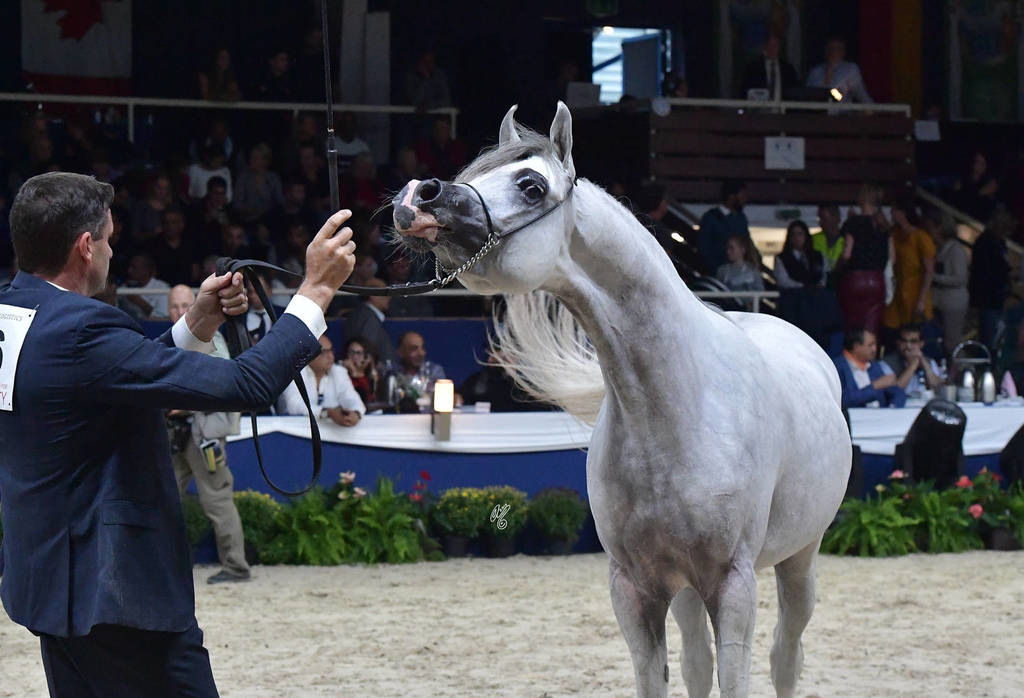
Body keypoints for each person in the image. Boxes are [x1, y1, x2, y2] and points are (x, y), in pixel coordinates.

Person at [0, 171, 356, 695]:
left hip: (51, 583)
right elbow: (248, 382)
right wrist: (316, 290)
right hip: (116, 594)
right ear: (84, 246)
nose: (110, 254)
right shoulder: (82, 328)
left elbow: (110, 379)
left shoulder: (18, 315)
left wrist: (198, 322)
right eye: (108, 240)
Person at [165, 285, 250, 584]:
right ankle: (167, 563)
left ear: (195, 304)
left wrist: (180, 402)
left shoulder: (213, 338)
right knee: (164, 498)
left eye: (184, 305)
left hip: (205, 432)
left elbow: (222, 384)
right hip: (179, 433)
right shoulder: (176, 339)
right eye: (174, 306)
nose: (179, 311)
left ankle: (236, 566)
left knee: (216, 498)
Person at [838, 183, 893, 334]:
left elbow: (847, 254)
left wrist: (839, 266)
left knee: (853, 325)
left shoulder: (853, 223)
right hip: (877, 279)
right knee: (872, 326)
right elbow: (891, 257)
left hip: (855, 278)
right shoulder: (884, 225)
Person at [278, 335, 365, 426]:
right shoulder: (295, 373)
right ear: (309, 355)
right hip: (293, 431)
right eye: (324, 352)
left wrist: (356, 413)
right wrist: (327, 413)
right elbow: (294, 406)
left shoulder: (338, 372)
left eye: (331, 351)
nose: (330, 356)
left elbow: (352, 399)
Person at [882, 201, 935, 333]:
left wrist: (922, 299)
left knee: (916, 331)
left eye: (893, 210)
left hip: (915, 293)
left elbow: (929, 271)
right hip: (897, 292)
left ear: (902, 213)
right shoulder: (894, 234)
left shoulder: (921, 237)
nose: (891, 213)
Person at [969, 206, 1015, 351]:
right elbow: (986, 272)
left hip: (998, 298)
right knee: (988, 340)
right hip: (987, 299)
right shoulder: (984, 243)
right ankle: (986, 369)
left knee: (998, 337)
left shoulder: (1000, 243)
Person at [924, 207, 969, 355]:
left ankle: (964, 372)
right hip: (940, 302)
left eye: (931, 227)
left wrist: (933, 276)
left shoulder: (956, 249)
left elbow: (961, 278)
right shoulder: (939, 248)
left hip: (953, 303)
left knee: (953, 342)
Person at [833, 328, 906, 408]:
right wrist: (874, 386)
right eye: (870, 345)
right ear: (856, 347)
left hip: (881, 417)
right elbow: (843, 400)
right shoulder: (837, 366)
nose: (875, 349)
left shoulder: (874, 365)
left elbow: (897, 392)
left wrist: (893, 407)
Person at [383, 331, 448, 410]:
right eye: (414, 349)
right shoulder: (391, 374)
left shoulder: (434, 371)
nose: (421, 353)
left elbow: (445, 401)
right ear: (400, 352)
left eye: (422, 348)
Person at [697, 180, 751, 273]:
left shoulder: (741, 218)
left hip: (740, 271)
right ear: (731, 196)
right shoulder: (710, 218)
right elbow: (703, 247)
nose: (744, 199)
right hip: (716, 273)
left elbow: (746, 242)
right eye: (741, 196)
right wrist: (716, 269)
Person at [805, 36, 873, 103]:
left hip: (840, 112)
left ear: (843, 51)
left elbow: (861, 94)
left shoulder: (850, 69)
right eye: (831, 48)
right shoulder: (815, 72)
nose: (834, 52)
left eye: (838, 49)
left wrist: (872, 109)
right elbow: (808, 95)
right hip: (815, 112)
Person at [882, 323, 944, 396]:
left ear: (921, 344)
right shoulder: (886, 363)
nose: (908, 346)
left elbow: (937, 387)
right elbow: (895, 391)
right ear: (898, 343)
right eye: (904, 341)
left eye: (913, 341)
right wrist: (913, 365)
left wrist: (924, 363)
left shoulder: (930, 361)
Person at [343, 278, 394, 362]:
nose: (389, 297)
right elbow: (368, 351)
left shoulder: (363, 315)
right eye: (385, 293)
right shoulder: (368, 319)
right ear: (373, 295)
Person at [741, 34, 798, 101]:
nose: (772, 49)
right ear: (765, 47)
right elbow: (745, 91)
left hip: (783, 109)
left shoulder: (788, 70)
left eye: (775, 46)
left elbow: (794, 93)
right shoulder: (753, 69)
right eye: (769, 45)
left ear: (780, 48)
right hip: (759, 109)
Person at [715, 234, 763, 308]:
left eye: (732, 248)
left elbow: (760, 292)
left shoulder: (753, 270)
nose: (728, 251)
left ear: (742, 249)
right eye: (727, 248)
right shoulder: (722, 271)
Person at [341, 336, 380, 407]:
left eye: (359, 353)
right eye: (351, 352)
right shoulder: (341, 375)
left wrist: (356, 374)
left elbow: (368, 399)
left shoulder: (372, 376)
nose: (355, 357)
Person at [811, 203, 845, 282]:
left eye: (824, 219)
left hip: (842, 284)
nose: (820, 223)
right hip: (819, 286)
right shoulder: (813, 239)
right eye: (819, 219)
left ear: (836, 218)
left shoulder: (847, 240)